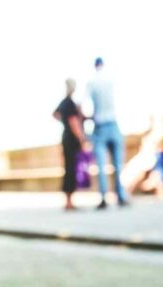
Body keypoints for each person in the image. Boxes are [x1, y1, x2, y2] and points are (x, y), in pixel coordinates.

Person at [86, 57, 128, 209]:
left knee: (101, 165)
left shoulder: (91, 82)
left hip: (100, 125)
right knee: (118, 163)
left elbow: (86, 105)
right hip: (113, 123)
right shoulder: (111, 79)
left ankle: (104, 197)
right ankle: (120, 196)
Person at [53, 78, 89, 210]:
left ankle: (68, 200)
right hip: (71, 139)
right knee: (71, 169)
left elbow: (55, 114)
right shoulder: (70, 103)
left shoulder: (63, 103)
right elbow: (73, 122)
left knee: (68, 168)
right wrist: (81, 138)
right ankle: (69, 201)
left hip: (65, 137)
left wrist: (64, 122)